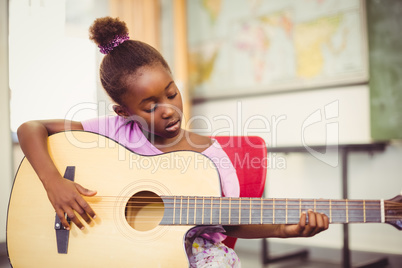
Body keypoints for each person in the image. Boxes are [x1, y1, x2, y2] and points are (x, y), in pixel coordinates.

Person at [17, 17, 329, 267]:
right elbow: (31, 128)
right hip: (116, 248)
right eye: (150, 106)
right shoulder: (113, 131)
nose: (169, 110)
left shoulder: (208, 156)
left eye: (171, 93)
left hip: (190, 251)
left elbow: (230, 224)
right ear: (123, 111)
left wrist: (282, 229)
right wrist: (54, 183)